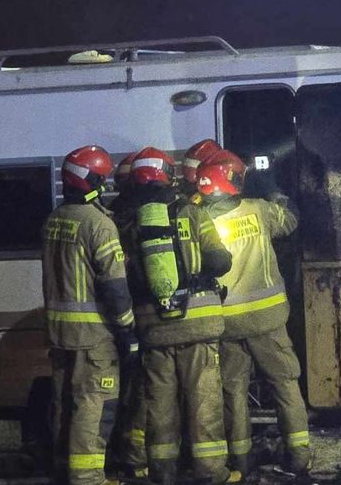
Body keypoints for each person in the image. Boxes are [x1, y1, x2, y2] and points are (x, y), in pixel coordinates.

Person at [122, 147, 236, 485]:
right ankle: (211, 473)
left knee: (159, 407)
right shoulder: (191, 213)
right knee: (204, 404)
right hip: (197, 324)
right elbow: (220, 262)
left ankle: (163, 474)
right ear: (168, 176)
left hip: (153, 328)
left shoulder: (127, 223)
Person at [197, 157, 310, 476]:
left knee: (232, 392)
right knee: (285, 384)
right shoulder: (258, 209)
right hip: (267, 320)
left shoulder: (199, 218)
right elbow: (290, 221)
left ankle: (242, 461)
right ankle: (299, 456)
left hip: (225, 323)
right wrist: (274, 189)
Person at [41, 145, 136, 485]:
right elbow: (113, 285)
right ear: (91, 180)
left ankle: (64, 470)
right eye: (102, 177)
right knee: (95, 405)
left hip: (60, 335)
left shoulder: (55, 219)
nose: (107, 183)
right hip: (94, 337)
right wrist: (127, 330)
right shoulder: (98, 224)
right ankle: (87, 477)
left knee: (64, 403)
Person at [107, 151, 148, 479]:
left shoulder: (110, 215)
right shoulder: (141, 216)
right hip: (138, 316)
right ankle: (135, 458)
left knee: (122, 393)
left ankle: (121, 453)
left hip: (114, 321)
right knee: (139, 393)